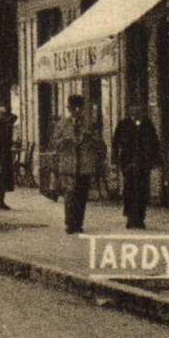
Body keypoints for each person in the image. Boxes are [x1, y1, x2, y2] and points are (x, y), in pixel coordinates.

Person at [55, 94, 104, 234]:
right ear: (68, 109)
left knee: (81, 195)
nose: (76, 112)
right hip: (69, 165)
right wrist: (64, 141)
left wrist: (91, 138)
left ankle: (79, 223)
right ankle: (70, 223)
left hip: (84, 166)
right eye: (73, 109)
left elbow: (99, 145)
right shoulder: (62, 124)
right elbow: (55, 144)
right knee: (70, 194)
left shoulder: (89, 125)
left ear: (82, 109)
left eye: (79, 108)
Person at [112, 100, 163, 229]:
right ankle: (130, 217)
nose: (136, 110)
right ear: (129, 109)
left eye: (138, 107)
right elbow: (115, 142)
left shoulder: (147, 124)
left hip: (143, 162)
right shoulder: (123, 124)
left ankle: (140, 217)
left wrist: (154, 159)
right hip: (128, 161)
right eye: (133, 107)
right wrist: (115, 159)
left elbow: (154, 143)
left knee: (142, 189)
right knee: (129, 189)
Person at [0, 106, 17, 211]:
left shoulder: (1, 124)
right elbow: (13, 117)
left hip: (3, 154)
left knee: (1, 179)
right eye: (1, 114)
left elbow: (14, 117)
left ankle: (0, 201)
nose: (3, 116)